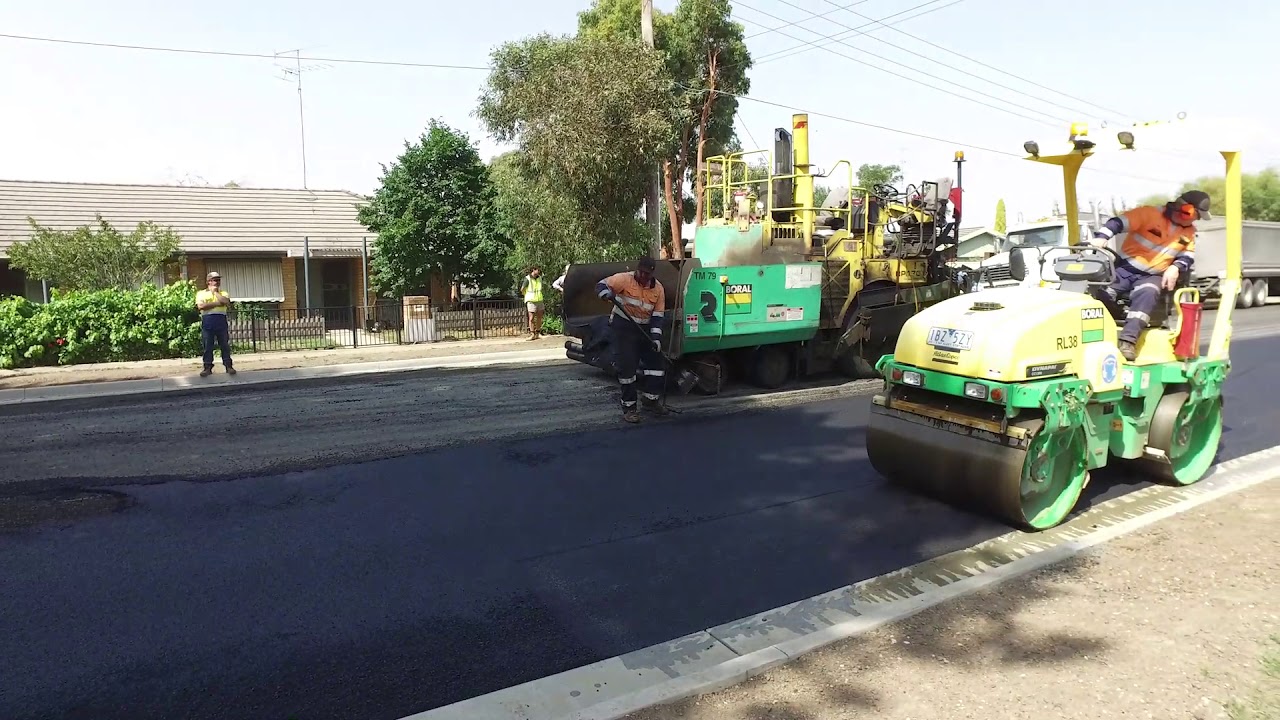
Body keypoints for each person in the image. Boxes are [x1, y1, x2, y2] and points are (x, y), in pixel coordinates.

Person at [1089, 190, 1210, 361]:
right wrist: (1102, 237)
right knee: (1099, 294)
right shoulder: (1149, 214)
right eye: (1196, 215)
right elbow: (1118, 223)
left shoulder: (1189, 232)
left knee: (1149, 292)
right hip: (1124, 269)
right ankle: (1100, 332)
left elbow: (1187, 255)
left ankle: (1127, 342)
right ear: (1186, 209)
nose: (1196, 220)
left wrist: (1175, 267)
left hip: (1152, 275)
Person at [597, 256, 667, 423]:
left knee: (656, 365)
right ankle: (629, 408)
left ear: (652, 274)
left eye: (647, 274)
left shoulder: (658, 289)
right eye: (641, 272)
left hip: (643, 328)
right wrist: (605, 293)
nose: (643, 276)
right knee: (627, 368)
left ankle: (650, 400)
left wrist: (656, 339)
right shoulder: (624, 279)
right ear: (637, 269)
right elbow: (601, 284)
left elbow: (657, 317)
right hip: (623, 327)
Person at [195, 271, 236, 377]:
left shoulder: (223, 293)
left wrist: (215, 293)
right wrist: (218, 303)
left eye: (218, 280)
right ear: (208, 281)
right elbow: (201, 306)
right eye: (215, 280)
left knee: (224, 344)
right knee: (208, 345)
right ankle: (207, 367)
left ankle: (228, 366)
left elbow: (226, 301)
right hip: (208, 320)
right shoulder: (201, 293)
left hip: (221, 320)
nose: (217, 282)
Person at [520, 267, 544, 340]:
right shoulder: (527, 279)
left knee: (539, 317)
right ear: (533, 270)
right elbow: (522, 289)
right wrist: (526, 295)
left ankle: (538, 333)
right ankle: (532, 334)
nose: (539, 271)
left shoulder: (540, 278)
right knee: (531, 318)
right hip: (531, 300)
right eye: (537, 270)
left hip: (539, 300)